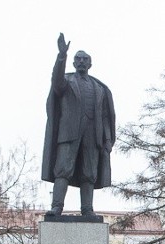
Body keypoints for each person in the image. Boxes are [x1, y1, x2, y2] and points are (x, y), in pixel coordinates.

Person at [41, 33, 116, 217]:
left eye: (85, 59)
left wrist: (107, 139)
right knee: (63, 170)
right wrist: (61, 56)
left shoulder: (99, 88)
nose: (81, 62)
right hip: (69, 133)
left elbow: (106, 116)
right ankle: (57, 206)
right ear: (73, 63)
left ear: (90, 64)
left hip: (93, 134)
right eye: (78, 59)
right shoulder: (66, 81)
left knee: (88, 172)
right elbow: (56, 82)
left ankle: (87, 209)